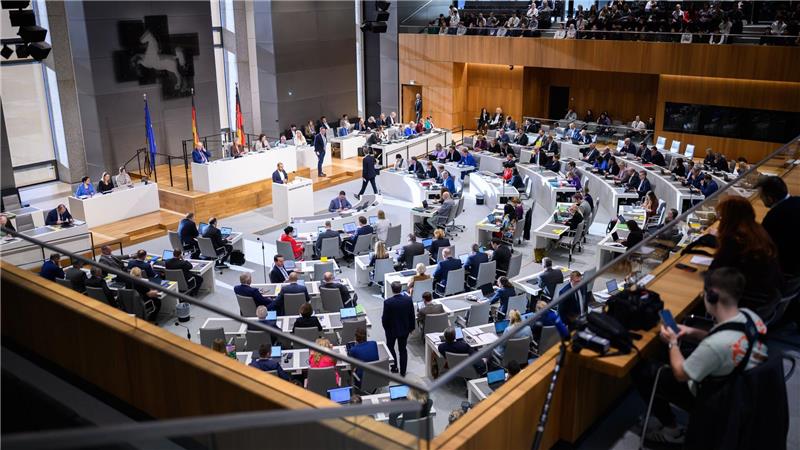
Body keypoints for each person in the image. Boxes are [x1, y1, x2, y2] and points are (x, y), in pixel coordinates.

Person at [632, 268, 769, 444]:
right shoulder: (751, 317)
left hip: (714, 399)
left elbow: (680, 374)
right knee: (667, 354)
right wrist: (692, 332)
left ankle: (671, 430)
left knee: (642, 371)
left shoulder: (714, 346)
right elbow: (732, 339)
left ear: (711, 297)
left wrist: (673, 342)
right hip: (742, 387)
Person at [709, 197, 783, 319]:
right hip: (764, 300)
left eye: (721, 217)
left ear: (729, 219)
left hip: (744, 304)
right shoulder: (758, 231)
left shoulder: (734, 241)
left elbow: (713, 272)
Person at [758, 176, 800, 293]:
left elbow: (760, 246)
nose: (760, 199)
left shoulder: (773, 217)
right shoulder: (798, 201)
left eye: (761, 197)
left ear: (770, 198)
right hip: (795, 275)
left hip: (782, 272)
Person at [382, 281, 415, 375]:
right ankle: (403, 372)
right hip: (404, 330)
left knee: (390, 347)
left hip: (391, 331)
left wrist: (386, 329)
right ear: (401, 289)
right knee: (403, 350)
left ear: (392, 289)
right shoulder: (408, 300)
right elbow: (412, 315)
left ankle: (394, 367)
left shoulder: (388, 302)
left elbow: (385, 319)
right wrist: (411, 328)